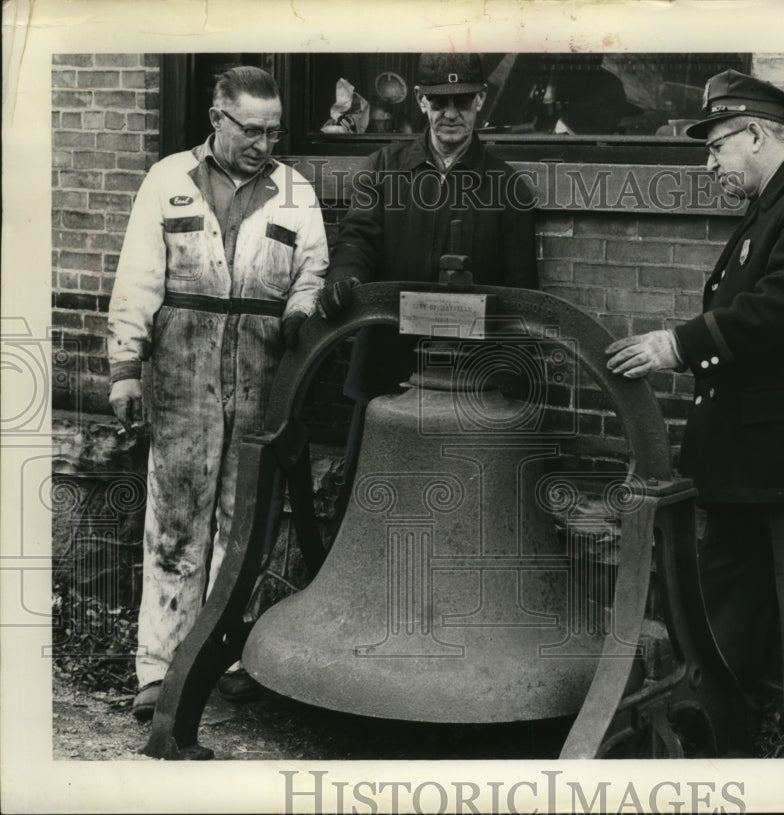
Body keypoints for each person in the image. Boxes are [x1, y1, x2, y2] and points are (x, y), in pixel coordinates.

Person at [606, 69, 784, 757]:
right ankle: (713, 753)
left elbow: (782, 308)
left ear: (758, 134)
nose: (710, 165)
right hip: (750, 460)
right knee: (720, 621)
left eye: (717, 147)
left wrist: (673, 344)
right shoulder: (774, 206)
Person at [107, 66, 329, 721]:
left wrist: (301, 313)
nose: (264, 142)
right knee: (175, 521)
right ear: (218, 119)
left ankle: (230, 656)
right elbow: (137, 279)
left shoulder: (295, 193)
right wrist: (125, 366)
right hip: (180, 372)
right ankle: (158, 669)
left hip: (262, 375)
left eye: (274, 131)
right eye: (251, 129)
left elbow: (313, 270)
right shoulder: (166, 182)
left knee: (244, 523)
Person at [319, 52, 538, 510]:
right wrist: (345, 276)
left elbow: (522, 293)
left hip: (469, 383)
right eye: (440, 102)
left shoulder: (507, 187)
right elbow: (357, 236)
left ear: (481, 100)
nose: (451, 114)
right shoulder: (383, 167)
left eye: (462, 101)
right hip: (387, 367)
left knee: (456, 509)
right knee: (367, 503)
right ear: (420, 101)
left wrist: (513, 387)